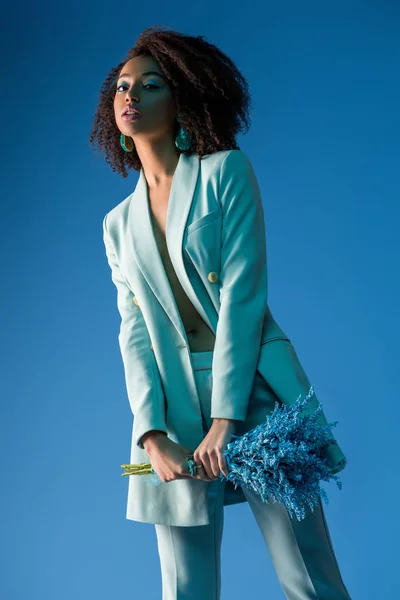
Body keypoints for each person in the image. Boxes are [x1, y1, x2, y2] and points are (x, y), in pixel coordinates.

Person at [90, 25, 352, 600]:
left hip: (254, 394)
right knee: (184, 589)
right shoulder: (116, 225)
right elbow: (132, 333)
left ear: (182, 97)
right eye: (122, 87)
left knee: (309, 580)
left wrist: (225, 420)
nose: (130, 96)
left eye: (150, 85)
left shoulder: (225, 173)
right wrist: (150, 435)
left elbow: (243, 298)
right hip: (172, 408)